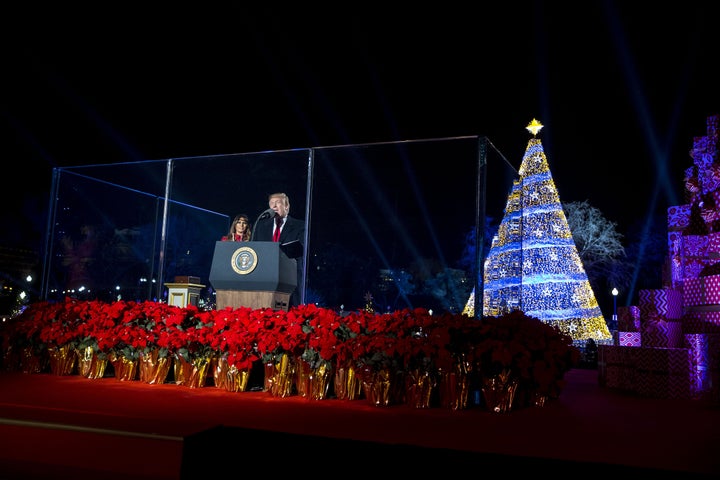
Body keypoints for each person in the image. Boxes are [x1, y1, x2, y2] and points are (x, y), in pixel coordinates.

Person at [252, 192, 305, 306]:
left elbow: (301, 250)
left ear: (287, 206)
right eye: (271, 203)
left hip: (289, 277)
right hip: (265, 277)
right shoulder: (261, 226)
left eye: (278, 203)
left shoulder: (300, 226)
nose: (274, 206)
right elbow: (254, 249)